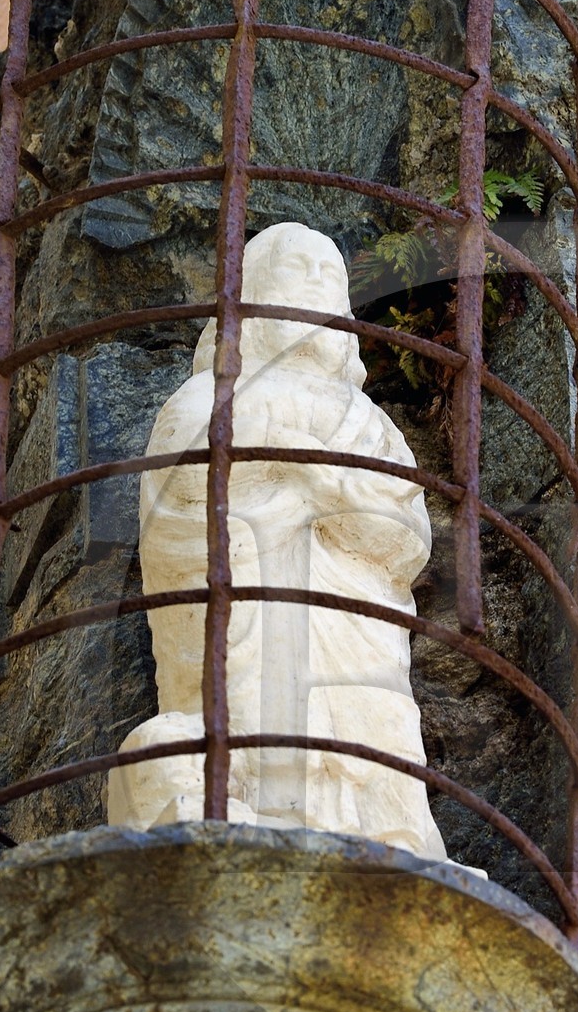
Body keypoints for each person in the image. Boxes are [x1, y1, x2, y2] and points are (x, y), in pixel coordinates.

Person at [108, 222, 447, 860]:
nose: (317, 290)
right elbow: (180, 503)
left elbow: (409, 538)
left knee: (371, 732)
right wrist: (288, 483)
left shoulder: (365, 420)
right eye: (300, 272)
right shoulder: (212, 398)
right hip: (255, 610)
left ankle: (385, 836)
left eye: (331, 280)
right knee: (254, 721)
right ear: (255, 294)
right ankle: (252, 812)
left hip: (353, 622)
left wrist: (329, 493)